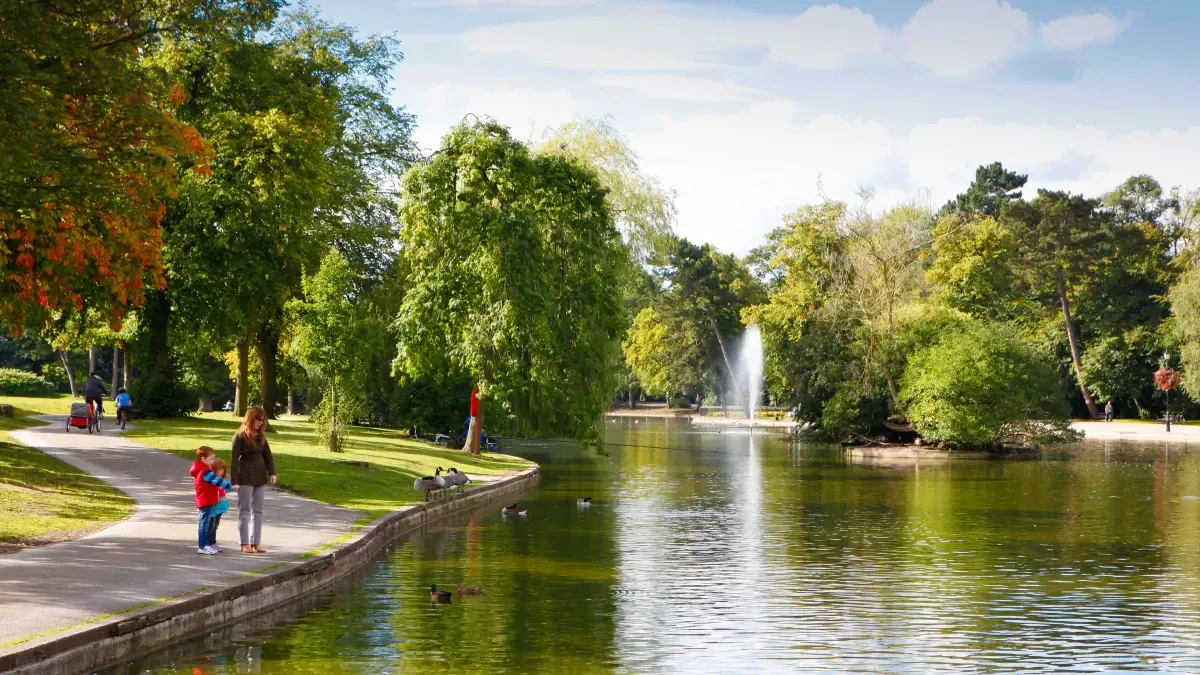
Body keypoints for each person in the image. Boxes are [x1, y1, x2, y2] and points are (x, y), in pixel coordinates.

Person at [231, 405, 276, 554]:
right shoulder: (239, 436)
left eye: (263, 420)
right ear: (250, 418)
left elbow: (268, 456)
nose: (261, 423)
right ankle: (244, 543)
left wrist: (272, 473)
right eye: (258, 420)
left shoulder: (261, 436)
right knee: (244, 510)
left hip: (260, 476)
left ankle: (255, 542)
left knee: (258, 510)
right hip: (244, 476)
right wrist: (235, 481)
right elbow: (234, 459)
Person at [190, 446, 233, 555]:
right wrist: (230, 486)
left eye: (213, 458)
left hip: (207, 500)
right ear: (203, 459)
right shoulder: (205, 471)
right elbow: (217, 481)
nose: (213, 461)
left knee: (205, 523)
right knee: (204, 524)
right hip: (206, 500)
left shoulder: (203, 470)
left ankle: (206, 545)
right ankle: (203, 546)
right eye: (211, 459)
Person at [206, 458, 232, 552]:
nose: (221, 472)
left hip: (220, 507)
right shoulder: (213, 482)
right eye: (219, 469)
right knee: (211, 525)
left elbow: (226, 490)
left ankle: (213, 543)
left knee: (215, 525)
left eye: (223, 470)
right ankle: (209, 543)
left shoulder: (221, 481)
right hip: (213, 507)